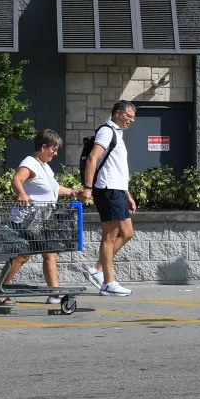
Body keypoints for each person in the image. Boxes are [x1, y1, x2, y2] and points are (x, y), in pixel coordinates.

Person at [0, 129, 90, 307]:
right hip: (25, 220)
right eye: (53, 150)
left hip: (39, 221)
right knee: (23, 255)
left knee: (49, 252)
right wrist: (21, 194)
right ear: (43, 147)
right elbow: (16, 180)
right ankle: (0, 290)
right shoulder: (30, 163)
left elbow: (54, 188)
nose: (55, 154)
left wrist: (73, 192)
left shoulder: (45, 167)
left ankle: (54, 294)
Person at [81, 101, 137, 297]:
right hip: (107, 189)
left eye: (133, 117)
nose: (132, 120)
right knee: (109, 236)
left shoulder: (117, 134)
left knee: (127, 232)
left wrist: (127, 194)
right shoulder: (107, 131)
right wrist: (88, 187)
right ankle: (107, 283)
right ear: (117, 113)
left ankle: (96, 269)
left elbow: (117, 167)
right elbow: (92, 158)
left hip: (117, 190)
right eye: (129, 116)